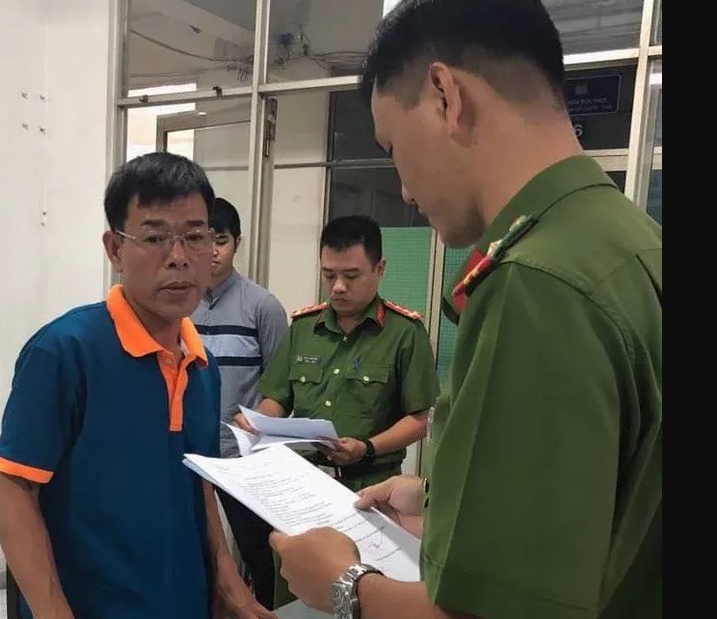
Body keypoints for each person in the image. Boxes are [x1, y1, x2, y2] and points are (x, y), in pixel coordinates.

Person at [269, 1, 662, 619]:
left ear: (445, 95)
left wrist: (345, 587)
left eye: (393, 146)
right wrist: (441, 498)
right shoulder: (630, 242)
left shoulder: (536, 283)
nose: (403, 188)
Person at [0, 152, 275, 619]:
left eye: (195, 236)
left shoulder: (202, 365)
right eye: (155, 238)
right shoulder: (65, 352)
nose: (179, 257)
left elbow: (199, 482)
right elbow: (13, 492)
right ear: (114, 248)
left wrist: (225, 577)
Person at [234, 213, 440, 609]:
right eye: (329, 275)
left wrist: (367, 447)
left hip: (371, 494)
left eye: (351, 275)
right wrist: (259, 423)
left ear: (380, 269)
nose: (339, 287)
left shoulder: (404, 333)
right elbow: (277, 397)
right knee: (294, 595)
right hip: (303, 486)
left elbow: (419, 419)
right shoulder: (303, 327)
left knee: (360, 596)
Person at [192, 196, 289, 610]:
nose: (212, 251)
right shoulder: (179, 303)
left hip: (242, 460)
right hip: (190, 455)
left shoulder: (262, 307)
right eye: (203, 239)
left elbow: (281, 389)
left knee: (259, 555)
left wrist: (255, 426)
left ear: (237, 243)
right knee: (196, 552)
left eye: (222, 240)